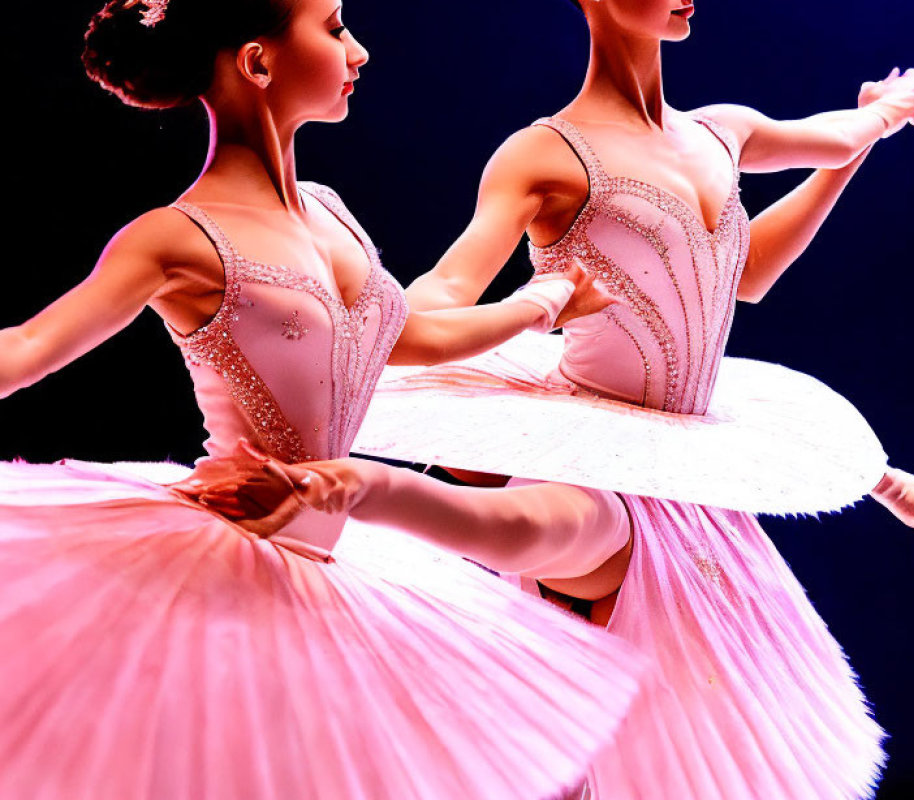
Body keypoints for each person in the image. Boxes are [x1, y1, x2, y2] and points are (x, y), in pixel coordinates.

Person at [189, 2, 914, 799]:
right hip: (597, 462)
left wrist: (883, 112)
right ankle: (346, 493)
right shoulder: (545, 153)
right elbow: (448, 287)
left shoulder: (723, 131)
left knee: (609, 751)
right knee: (547, 598)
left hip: (684, 477)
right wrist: (375, 317)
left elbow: (755, 268)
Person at [0, 1, 653, 797]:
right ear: (257, 62)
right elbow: (28, 350)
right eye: (335, 27)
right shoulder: (177, 238)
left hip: (340, 558)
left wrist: (544, 302)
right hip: (237, 554)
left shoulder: (329, 211)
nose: (361, 50)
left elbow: (406, 338)